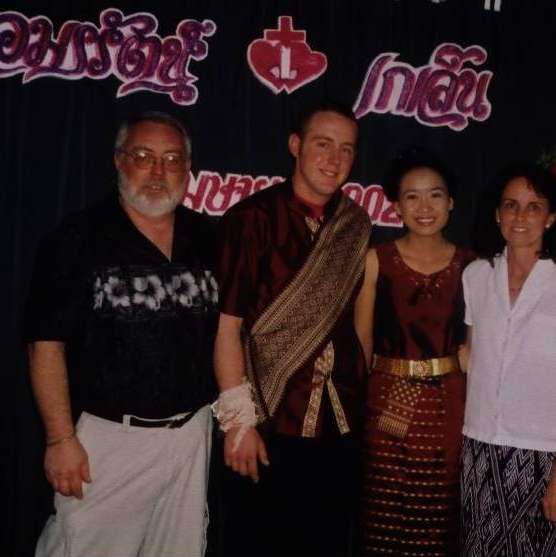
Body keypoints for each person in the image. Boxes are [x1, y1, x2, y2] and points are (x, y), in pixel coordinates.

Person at [25, 112, 218, 557]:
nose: (158, 171)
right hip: (111, 439)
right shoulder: (79, 238)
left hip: (191, 432)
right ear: (119, 160)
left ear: (188, 168)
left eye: (172, 159)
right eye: (143, 157)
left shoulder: (206, 237)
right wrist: (59, 439)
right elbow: (45, 343)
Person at [211, 101, 371, 557]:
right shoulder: (253, 219)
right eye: (323, 144)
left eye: (346, 149)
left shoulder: (355, 224)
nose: (334, 159)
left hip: (339, 424)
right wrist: (239, 424)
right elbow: (226, 328)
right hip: (268, 420)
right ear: (295, 146)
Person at [459, 163, 556, 556]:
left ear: (551, 218)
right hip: (482, 449)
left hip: (550, 455)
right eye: (511, 205)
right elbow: (474, 355)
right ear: (497, 214)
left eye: (533, 207)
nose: (520, 216)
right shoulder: (475, 276)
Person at [353, 147, 473, 556]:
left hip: (449, 406)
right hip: (385, 401)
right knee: (382, 517)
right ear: (396, 206)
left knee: (439, 519)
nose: (424, 207)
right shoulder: (376, 259)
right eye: (412, 197)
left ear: (451, 202)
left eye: (435, 195)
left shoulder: (472, 266)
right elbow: (362, 341)